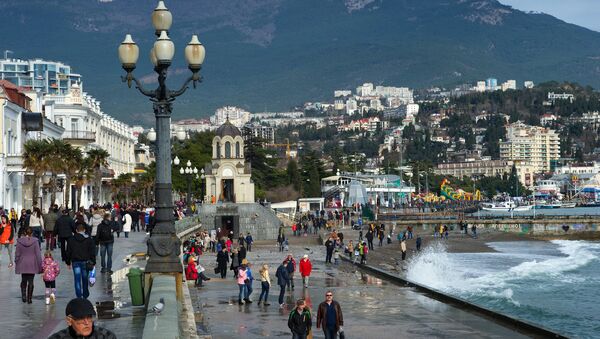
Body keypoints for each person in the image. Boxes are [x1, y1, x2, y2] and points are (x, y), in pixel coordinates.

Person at [48, 298, 117, 339]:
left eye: (89, 317)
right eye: (80, 318)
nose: (86, 323)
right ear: (69, 321)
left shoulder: (106, 336)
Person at [65, 223, 96, 299]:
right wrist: (93, 261)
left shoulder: (71, 239)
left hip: (75, 261)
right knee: (85, 279)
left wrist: (68, 262)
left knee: (77, 279)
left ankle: (79, 295)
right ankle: (85, 294)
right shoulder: (89, 239)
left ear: (76, 230)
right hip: (86, 261)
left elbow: (68, 251)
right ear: (84, 230)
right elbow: (92, 252)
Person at [15, 227, 43, 304]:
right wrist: (40, 265)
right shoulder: (35, 241)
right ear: (32, 233)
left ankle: (23, 295)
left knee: (23, 280)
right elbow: (38, 254)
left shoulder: (19, 241)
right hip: (32, 263)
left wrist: (16, 261)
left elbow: (17, 254)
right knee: (31, 281)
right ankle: (29, 298)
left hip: (22, 262)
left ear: (24, 233)